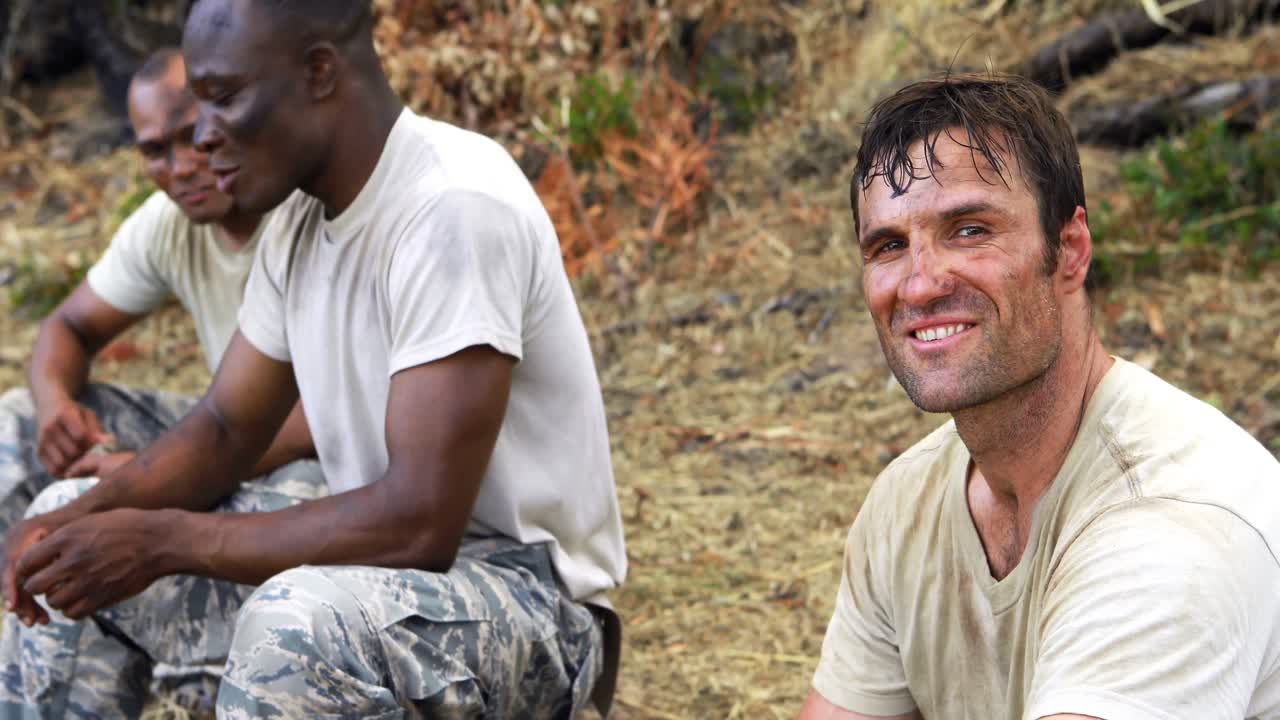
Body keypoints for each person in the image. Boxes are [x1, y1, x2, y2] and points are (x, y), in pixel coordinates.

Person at [1, 1, 627, 718]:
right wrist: (74, 518)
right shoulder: (298, 221)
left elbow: (420, 520)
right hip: (377, 584)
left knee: (297, 624)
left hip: (537, 610)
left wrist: (169, 539)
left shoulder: (452, 205)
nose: (202, 137)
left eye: (225, 98)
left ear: (320, 72)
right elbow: (224, 431)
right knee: (72, 549)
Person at [798, 72, 1280, 720]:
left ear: (1071, 251)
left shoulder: (1172, 521)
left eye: (969, 229)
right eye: (888, 245)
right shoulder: (905, 505)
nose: (918, 285)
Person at [0, 47, 328, 716]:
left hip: (318, 462)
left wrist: (143, 476)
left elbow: (320, 422)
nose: (180, 167)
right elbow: (67, 327)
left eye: (191, 136)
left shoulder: (308, 212)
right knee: (13, 426)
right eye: (154, 150)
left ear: (228, 118)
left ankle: (203, 673)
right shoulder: (170, 225)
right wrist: (58, 403)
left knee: (84, 512)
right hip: (227, 437)